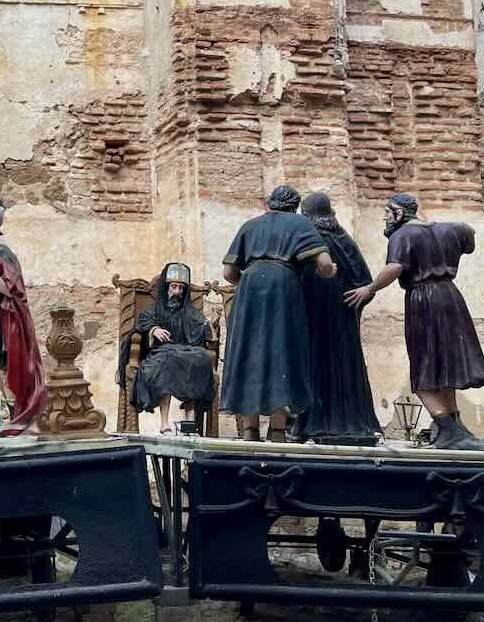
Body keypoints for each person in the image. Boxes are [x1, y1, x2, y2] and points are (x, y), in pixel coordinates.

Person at [343, 193, 484, 449]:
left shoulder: (402, 235)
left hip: (423, 299)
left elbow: (394, 268)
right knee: (445, 363)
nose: (385, 218)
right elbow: (469, 237)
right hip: (450, 296)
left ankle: (447, 426)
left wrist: (370, 288)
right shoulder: (448, 230)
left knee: (423, 364)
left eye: (388, 213)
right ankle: (454, 426)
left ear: (399, 213)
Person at [220, 186, 336, 442]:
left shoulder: (250, 225)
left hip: (249, 288)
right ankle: (278, 430)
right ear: (294, 205)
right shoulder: (300, 224)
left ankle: (250, 430)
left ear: (269, 203)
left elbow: (229, 273)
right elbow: (325, 265)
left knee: (249, 352)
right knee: (281, 353)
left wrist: (251, 282)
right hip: (283, 288)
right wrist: (329, 273)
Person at [294, 192, 379, 443]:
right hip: (342, 318)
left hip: (315, 316)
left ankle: (314, 426)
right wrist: (357, 300)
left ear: (307, 215)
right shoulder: (345, 240)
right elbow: (364, 281)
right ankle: (354, 424)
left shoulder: (307, 239)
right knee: (345, 366)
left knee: (315, 365)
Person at [0, 196, 46, 435]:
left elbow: (9, 288)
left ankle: (18, 414)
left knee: (3, 365)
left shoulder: (0, 251)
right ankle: (8, 412)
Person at [119, 262, 214, 434]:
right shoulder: (155, 309)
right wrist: (154, 330)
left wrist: (209, 323)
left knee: (201, 358)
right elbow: (142, 324)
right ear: (166, 287)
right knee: (169, 360)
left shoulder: (188, 311)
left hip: (185, 351)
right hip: (162, 352)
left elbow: (200, 324)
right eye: (174, 287)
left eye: (181, 288)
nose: (177, 292)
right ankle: (165, 423)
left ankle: (190, 423)